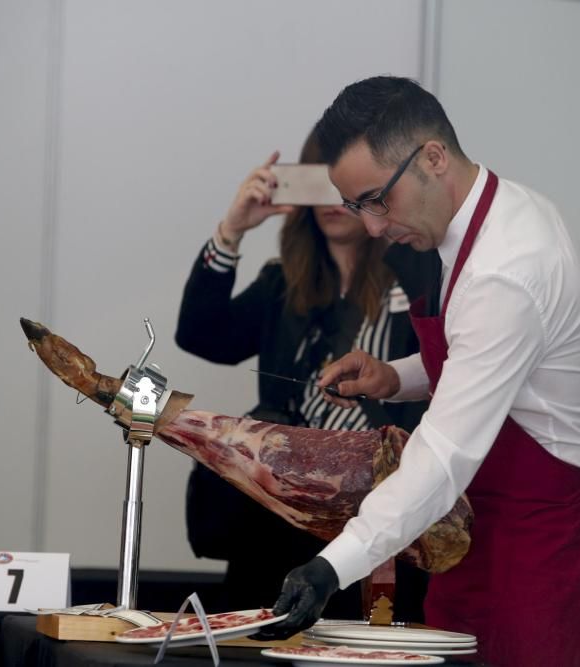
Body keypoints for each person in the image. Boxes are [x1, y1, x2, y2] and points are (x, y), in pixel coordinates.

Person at [257, 77, 580, 666]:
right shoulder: (502, 211)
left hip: (534, 555)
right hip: (476, 537)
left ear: (432, 157)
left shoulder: (507, 268)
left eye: (378, 200)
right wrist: (395, 376)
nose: (373, 227)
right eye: (357, 207)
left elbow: (445, 451)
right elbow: (495, 362)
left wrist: (332, 566)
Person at [174, 129, 440, 621]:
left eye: (343, 186)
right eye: (316, 184)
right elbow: (200, 334)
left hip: (384, 515)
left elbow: (447, 369)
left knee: (374, 646)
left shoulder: (418, 273)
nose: (332, 201)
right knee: (269, 639)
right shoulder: (283, 283)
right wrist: (231, 232)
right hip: (281, 520)